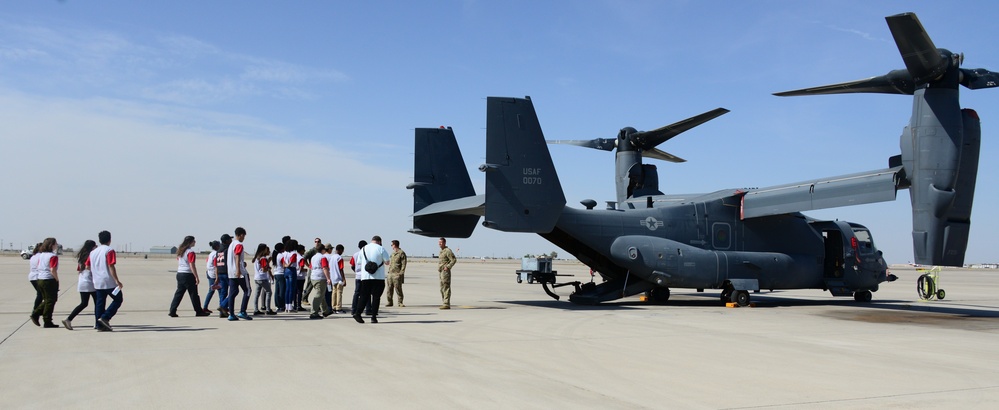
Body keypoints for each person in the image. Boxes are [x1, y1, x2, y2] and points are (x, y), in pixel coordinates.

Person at [353, 235, 390, 324]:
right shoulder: (381, 248)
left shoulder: (363, 249)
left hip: (365, 277)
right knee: (376, 298)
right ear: (380, 241)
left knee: (364, 296)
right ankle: (373, 317)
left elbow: (359, 262)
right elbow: (387, 262)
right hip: (378, 277)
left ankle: (358, 313)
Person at [91, 230, 123, 331]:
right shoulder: (109, 250)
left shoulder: (93, 252)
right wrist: (117, 280)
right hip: (108, 280)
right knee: (118, 299)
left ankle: (98, 324)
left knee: (100, 303)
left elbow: (88, 266)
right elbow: (111, 265)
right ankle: (105, 317)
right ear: (110, 239)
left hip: (97, 281)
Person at [62, 240, 98, 330]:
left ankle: (69, 319)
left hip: (82, 282)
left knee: (84, 303)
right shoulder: (91, 256)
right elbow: (91, 268)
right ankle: (97, 322)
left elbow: (79, 270)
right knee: (98, 303)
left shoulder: (81, 257)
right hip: (90, 283)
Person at [169, 236, 209, 317]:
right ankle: (198, 311)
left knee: (179, 293)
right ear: (190, 242)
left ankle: (172, 310)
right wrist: (196, 277)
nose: (195, 242)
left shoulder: (181, 251)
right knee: (194, 294)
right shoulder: (190, 252)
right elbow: (192, 265)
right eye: (194, 241)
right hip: (188, 274)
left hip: (180, 273)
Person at [31, 237, 61, 328]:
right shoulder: (53, 256)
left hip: (40, 278)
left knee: (48, 300)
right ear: (52, 245)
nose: (57, 245)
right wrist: (57, 279)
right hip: (48, 279)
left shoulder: (41, 255)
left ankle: (38, 313)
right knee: (50, 300)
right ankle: (45, 319)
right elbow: (53, 269)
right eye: (55, 244)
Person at [226, 227, 253, 321]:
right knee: (248, 290)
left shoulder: (231, 244)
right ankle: (242, 311)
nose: (244, 238)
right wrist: (238, 270)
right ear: (241, 235)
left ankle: (231, 314)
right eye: (244, 236)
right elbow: (237, 257)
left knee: (232, 293)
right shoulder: (239, 244)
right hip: (240, 272)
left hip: (231, 272)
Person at [308, 244, 333, 319]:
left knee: (321, 294)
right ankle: (313, 312)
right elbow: (325, 268)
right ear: (323, 250)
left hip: (313, 277)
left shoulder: (313, 257)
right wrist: (328, 278)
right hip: (320, 277)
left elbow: (311, 267)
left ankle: (325, 311)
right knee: (319, 295)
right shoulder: (322, 257)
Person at [252, 243, 275, 315]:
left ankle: (256, 309)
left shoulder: (256, 258)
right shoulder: (263, 258)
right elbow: (263, 269)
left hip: (257, 277)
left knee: (257, 294)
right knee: (269, 292)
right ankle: (268, 309)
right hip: (262, 277)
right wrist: (268, 268)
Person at [386, 239, 407, 307]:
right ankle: (389, 302)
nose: (391, 246)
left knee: (398, 289)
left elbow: (404, 264)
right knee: (389, 289)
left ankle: (400, 302)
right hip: (390, 273)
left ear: (395, 245)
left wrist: (401, 273)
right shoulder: (392, 253)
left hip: (397, 274)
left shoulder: (401, 253)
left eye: (392, 245)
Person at [215, 234, 232, 318]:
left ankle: (222, 312)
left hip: (220, 272)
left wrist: (217, 275)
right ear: (226, 241)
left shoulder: (218, 250)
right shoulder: (227, 249)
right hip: (226, 272)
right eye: (229, 239)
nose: (231, 241)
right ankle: (223, 306)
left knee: (223, 292)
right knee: (233, 290)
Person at [202, 240, 221, 314]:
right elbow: (216, 266)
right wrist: (217, 277)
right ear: (217, 246)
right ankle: (222, 308)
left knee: (211, 291)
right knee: (220, 291)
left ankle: (205, 307)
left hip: (209, 273)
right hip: (214, 274)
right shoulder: (216, 254)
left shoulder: (210, 254)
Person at [438, 237, 457, 310]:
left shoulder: (448, 251)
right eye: (439, 243)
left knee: (446, 287)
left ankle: (446, 303)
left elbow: (454, 260)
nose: (439, 244)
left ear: (444, 243)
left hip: (445, 272)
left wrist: (448, 267)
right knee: (442, 288)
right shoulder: (441, 251)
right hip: (441, 271)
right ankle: (444, 302)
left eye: (441, 242)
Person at [302, 237, 322, 304]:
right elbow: (304, 258)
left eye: (318, 241)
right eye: (316, 242)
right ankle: (304, 298)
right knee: (309, 285)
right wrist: (308, 266)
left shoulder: (321, 250)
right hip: (312, 269)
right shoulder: (312, 250)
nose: (317, 243)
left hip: (319, 269)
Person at [281, 239, 299, 313]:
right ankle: (290, 307)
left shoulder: (284, 253)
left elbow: (283, 262)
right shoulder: (294, 253)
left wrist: (285, 265)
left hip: (286, 271)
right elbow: (292, 261)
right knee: (292, 289)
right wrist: (288, 265)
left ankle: (286, 306)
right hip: (292, 270)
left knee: (287, 289)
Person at [349, 240, 366, 317]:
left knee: (356, 292)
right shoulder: (367, 254)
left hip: (358, 276)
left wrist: (356, 271)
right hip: (365, 276)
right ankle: (368, 308)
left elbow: (352, 265)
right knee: (366, 293)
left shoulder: (355, 254)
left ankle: (354, 308)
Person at [328, 244, 346, 314]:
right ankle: (338, 307)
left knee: (334, 292)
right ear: (340, 250)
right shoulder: (339, 258)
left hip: (333, 278)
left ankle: (333, 307)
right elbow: (341, 269)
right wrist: (343, 279)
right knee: (339, 293)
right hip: (338, 278)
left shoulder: (332, 257)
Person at [27, 242, 42, 325]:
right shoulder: (40, 256)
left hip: (32, 277)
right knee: (41, 295)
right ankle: (35, 311)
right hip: (37, 276)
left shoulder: (34, 256)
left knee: (40, 294)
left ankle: (37, 310)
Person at [271, 242, 285, 312]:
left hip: (276, 273)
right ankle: (281, 305)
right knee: (282, 290)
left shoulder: (275, 255)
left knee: (277, 290)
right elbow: (284, 264)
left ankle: (277, 304)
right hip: (281, 273)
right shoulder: (280, 255)